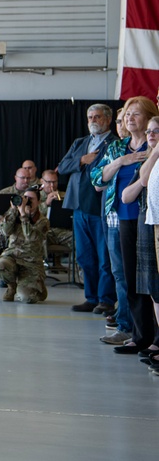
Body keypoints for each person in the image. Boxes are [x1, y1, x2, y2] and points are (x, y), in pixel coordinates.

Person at [92, 97, 158, 349]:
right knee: (130, 279)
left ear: (150, 117)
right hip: (121, 219)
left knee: (150, 280)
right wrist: (120, 162)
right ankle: (140, 336)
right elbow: (97, 180)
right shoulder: (118, 147)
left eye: (136, 114)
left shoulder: (154, 145)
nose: (129, 118)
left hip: (150, 219)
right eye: (127, 114)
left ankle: (154, 338)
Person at [58, 103, 117, 313]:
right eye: (90, 117)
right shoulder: (80, 143)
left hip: (100, 208)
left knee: (104, 258)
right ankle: (91, 298)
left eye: (98, 117)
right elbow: (62, 167)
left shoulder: (115, 144)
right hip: (79, 207)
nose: (93, 120)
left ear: (108, 120)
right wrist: (82, 160)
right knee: (84, 256)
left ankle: (106, 300)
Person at [120, 114, 159, 365]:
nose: (151, 136)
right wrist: (154, 152)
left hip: (153, 223)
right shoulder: (150, 158)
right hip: (148, 222)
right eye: (149, 132)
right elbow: (128, 193)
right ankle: (153, 337)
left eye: (156, 131)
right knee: (152, 288)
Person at [0, 187, 49, 303]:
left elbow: (31, 237)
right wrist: (13, 210)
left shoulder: (43, 221)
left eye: (31, 199)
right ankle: (12, 287)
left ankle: (38, 288)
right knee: (0, 265)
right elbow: (5, 232)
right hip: (13, 256)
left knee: (27, 299)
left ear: (39, 202)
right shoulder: (15, 215)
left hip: (31, 262)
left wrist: (24, 215)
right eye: (25, 198)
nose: (27, 201)